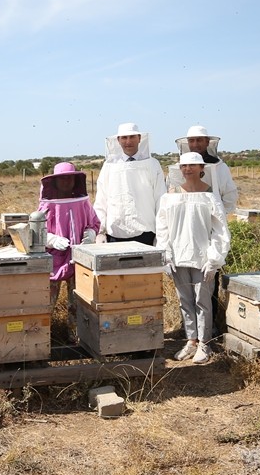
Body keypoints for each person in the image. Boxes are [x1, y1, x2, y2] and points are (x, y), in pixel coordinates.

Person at [157, 152, 231, 364]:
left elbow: (220, 230)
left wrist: (214, 258)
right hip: (178, 256)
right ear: (179, 169)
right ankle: (191, 341)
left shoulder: (210, 196)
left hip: (202, 257)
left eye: (192, 166)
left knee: (202, 301)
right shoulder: (170, 196)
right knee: (185, 301)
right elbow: (162, 227)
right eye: (184, 166)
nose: (188, 169)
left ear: (201, 168)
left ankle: (205, 344)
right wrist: (166, 254)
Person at [175, 125, 238, 333]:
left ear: (207, 143)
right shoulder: (181, 167)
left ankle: (210, 329)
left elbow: (230, 196)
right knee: (185, 287)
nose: (195, 144)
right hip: (186, 229)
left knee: (209, 279)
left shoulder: (220, 167)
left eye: (199, 141)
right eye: (191, 141)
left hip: (211, 229)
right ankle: (190, 331)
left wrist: (216, 216)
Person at [93, 122, 166, 245]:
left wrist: (161, 234)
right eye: (124, 138)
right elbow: (102, 199)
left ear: (139, 138)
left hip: (146, 232)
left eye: (132, 137)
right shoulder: (109, 166)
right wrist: (100, 231)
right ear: (118, 140)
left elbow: (160, 199)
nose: (128, 141)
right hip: (115, 233)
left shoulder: (152, 164)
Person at [38, 162, 100, 305]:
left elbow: (95, 222)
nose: (66, 182)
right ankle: (46, 328)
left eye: (69, 178)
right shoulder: (48, 204)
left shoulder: (83, 202)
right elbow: (37, 231)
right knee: (47, 302)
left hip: (80, 257)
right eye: (62, 178)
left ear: (75, 180)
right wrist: (51, 239)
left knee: (79, 303)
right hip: (54, 258)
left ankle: (75, 328)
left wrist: (90, 233)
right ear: (55, 181)